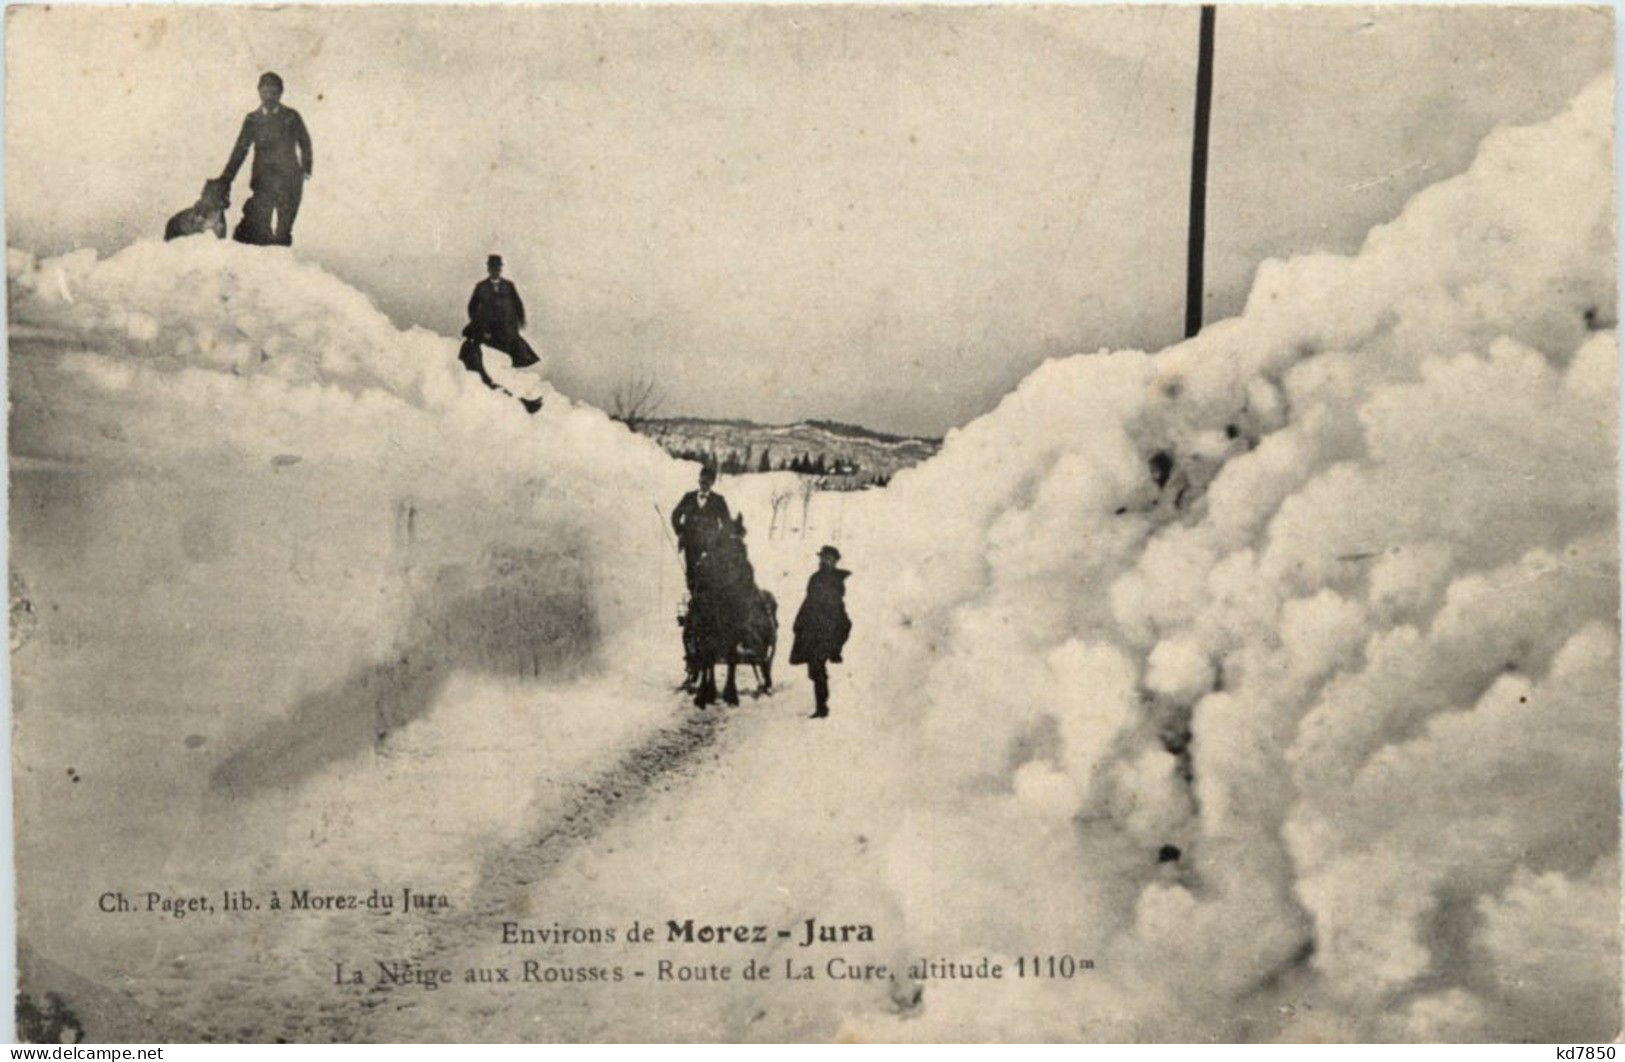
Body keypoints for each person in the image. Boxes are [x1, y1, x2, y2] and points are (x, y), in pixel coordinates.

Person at [220, 72, 313, 246]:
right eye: (265, 91)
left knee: (284, 230)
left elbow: (305, 142)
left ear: (281, 93)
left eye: (274, 92)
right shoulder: (252, 119)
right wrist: (227, 176)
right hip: (264, 180)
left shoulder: (291, 117)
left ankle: (283, 265)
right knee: (260, 226)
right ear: (259, 92)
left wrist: (306, 169)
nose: (269, 96)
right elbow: (240, 149)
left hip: (289, 179)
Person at [789, 545, 852, 719]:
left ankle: (822, 707)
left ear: (835, 561)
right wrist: (799, 620)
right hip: (813, 627)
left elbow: (836, 602)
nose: (825, 561)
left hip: (830, 625)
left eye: (829, 559)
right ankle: (822, 705)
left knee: (817, 666)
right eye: (823, 558)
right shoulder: (815, 578)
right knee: (814, 671)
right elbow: (808, 600)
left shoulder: (838, 579)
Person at [465, 255, 540, 369]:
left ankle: (512, 368)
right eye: (492, 268)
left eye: (497, 268)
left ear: (500, 269)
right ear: (488, 269)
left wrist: (521, 319)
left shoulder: (508, 286)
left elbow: (517, 303)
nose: (495, 271)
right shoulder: (481, 287)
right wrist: (476, 323)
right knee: (481, 347)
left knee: (515, 346)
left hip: (505, 324)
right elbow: (472, 306)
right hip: (487, 325)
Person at [670, 465, 732, 591]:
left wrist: (718, 540)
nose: (703, 485)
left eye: (707, 482)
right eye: (701, 481)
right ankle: (694, 602)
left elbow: (727, 524)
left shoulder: (719, 501)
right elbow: (675, 515)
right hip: (690, 545)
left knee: (708, 576)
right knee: (691, 575)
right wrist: (680, 532)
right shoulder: (688, 497)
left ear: (712, 483)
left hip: (710, 547)